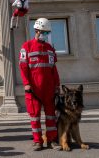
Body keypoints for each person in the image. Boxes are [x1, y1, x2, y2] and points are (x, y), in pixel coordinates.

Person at [19, 18, 61, 151]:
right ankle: (38, 141)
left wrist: (57, 86)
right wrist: (26, 84)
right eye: (44, 32)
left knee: (51, 116)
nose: (46, 35)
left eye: (47, 32)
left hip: (49, 88)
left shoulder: (50, 48)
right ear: (36, 30)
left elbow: (53, 69)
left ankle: (52, 140)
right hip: (34, 89)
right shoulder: (27, 46)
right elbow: (23, 67)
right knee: (34, 116)